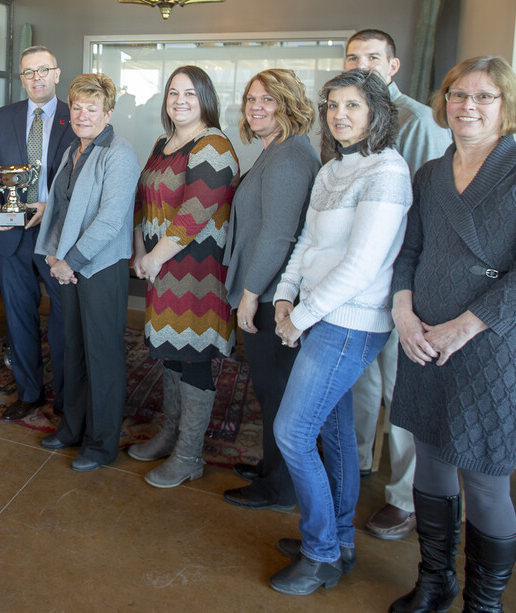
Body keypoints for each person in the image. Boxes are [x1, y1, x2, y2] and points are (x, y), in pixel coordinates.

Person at [388, 56, 516, 613]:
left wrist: (466, 326)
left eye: (484, 97)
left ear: (506, 106)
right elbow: (409, 252)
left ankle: (483, 603)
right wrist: (402, 311)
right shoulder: (430, 174)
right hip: (423, 340)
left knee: (486, 477)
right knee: (433, 462)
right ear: (445, 103)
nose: (469, 105)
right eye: (459, 95)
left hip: (491, 346)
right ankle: (434, 581)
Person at [266, 69, 411, 596]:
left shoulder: (388, 171)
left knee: (293, 432)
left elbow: (362, 266)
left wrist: (297, 319)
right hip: (317, 311)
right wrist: (285, 296)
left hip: (351, 322)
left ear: (375, 112)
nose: (340, 115)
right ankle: (341, 542)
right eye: (332, 106)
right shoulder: (332, 168)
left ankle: (321, 551)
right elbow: (307, 242)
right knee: (331, 432)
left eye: (352, 105)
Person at [344, 28, 454, 540]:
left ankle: (406, 496)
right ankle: (360, 460)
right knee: (361, 379)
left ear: (393, 66)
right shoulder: (352, 117)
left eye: (372, 57)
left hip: (402, 280)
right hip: (362, 276)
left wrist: (410, 286)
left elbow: (428, 209)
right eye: (353, 57)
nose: (362, 64)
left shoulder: (421, 121)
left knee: (401, 387)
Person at [128, 65, 239, 488]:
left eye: (190, 94)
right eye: (173, 93)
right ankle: (169, 433)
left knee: (194, 357)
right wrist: (141, 251)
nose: (180, 101)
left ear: (205, 99)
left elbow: (196, 212)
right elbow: (144, 200)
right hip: (161, 267)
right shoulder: (163, 142)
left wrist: (155, 257)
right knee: (171, 354)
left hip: (198, 275)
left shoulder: (213, 145)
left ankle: (189, 455)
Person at [220, 69, 319, 510]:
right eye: (251, 99)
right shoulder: (275, 150)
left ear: (289, 104)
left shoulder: (291, 157)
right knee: (269, 389)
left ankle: (280, 490)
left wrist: (250, 291)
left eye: (269, 100)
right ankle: (270, 469)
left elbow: (279, 235)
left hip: (273, 296)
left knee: (277, 392)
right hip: (265, 289)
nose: (256, 107)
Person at [35, 73, 141, 471]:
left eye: (91, 108)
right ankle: (72, 428)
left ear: (107, 112)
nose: (82, 114)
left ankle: (100, 444)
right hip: (67, 268)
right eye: (76, 107)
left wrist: (70, 261)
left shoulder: (120, 152)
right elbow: (61, 210)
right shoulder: (73, 150)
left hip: (98, 269)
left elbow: (111, 220)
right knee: (73, 350)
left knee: (103, 356)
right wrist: (51, 255)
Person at [0, 45, 73, 422]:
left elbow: (83, 181)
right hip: (13, 235)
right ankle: (29, 393)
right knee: (19, 317)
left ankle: (68, 400)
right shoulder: (3, 117)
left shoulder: (76, 116)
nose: (36, 78)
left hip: (58, 236)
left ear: (56, 73)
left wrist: (49, 208)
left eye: (42, 71)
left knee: (65, 320)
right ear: (21, 78)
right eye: (28, 73)